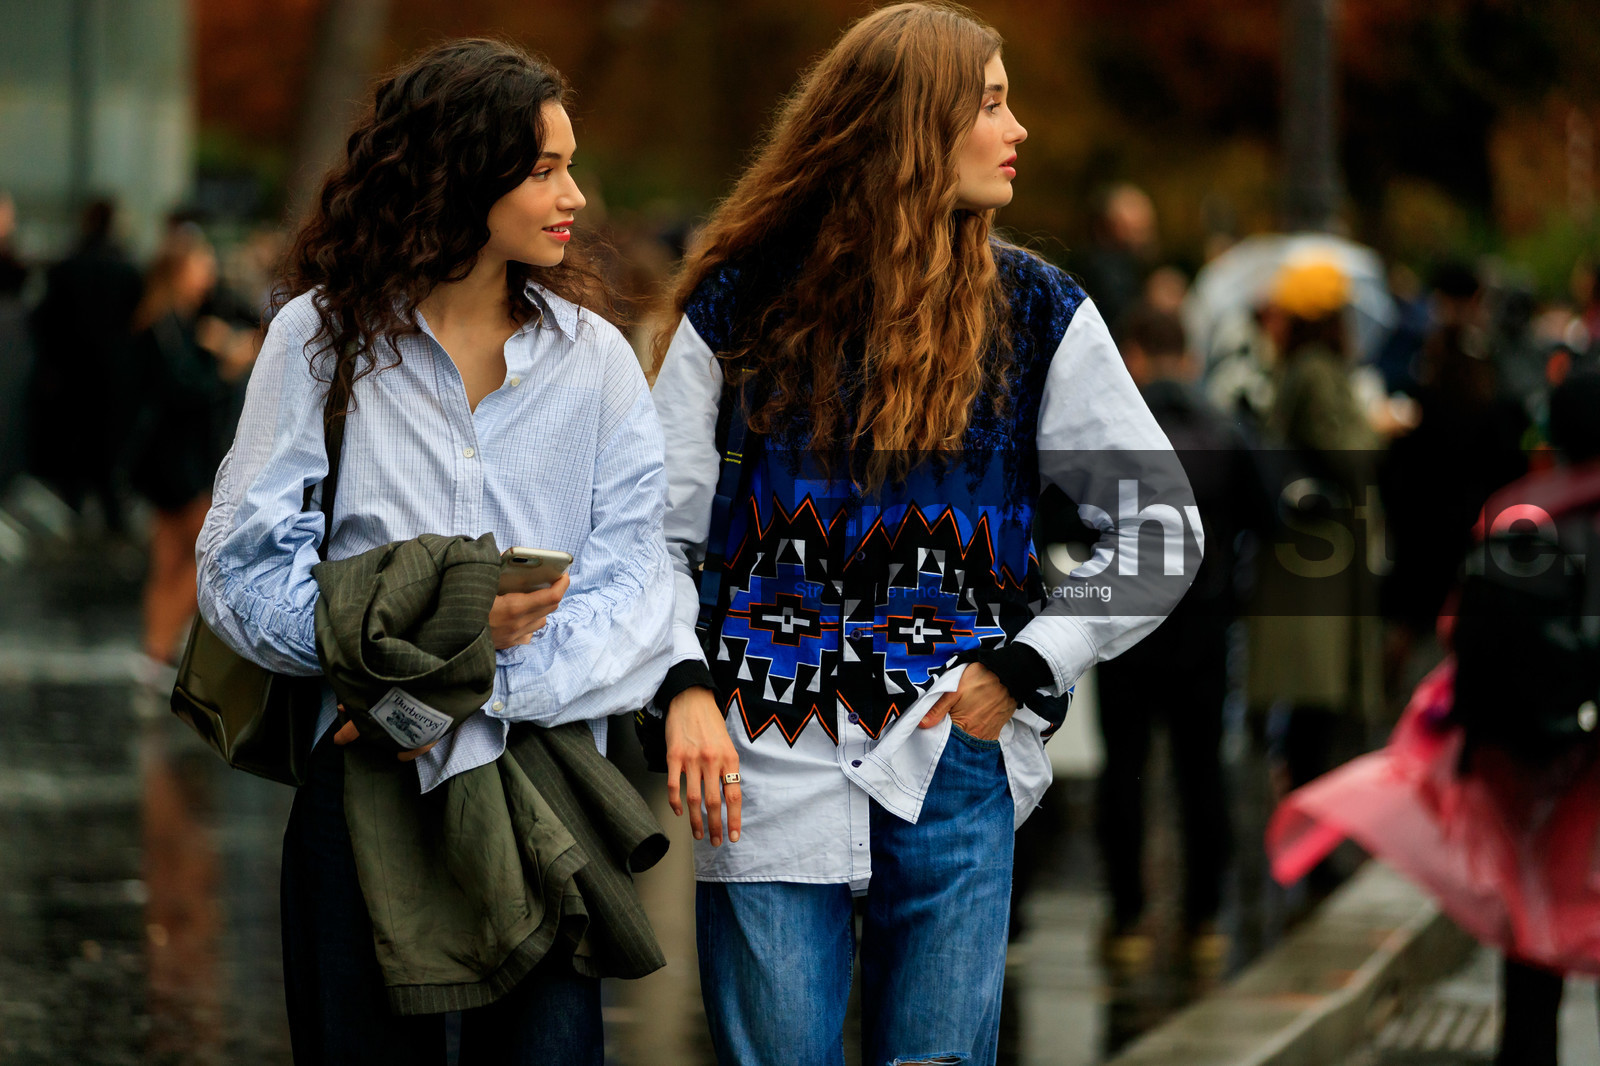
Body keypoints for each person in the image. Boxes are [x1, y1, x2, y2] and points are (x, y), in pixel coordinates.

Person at [646, 5, 1197, 1063]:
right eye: (990, 102)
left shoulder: (1038, 313)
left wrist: (1029, 663)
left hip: (953, 752)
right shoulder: (740, 308)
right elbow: (653, 537)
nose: (1018, 128)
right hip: (759, 759)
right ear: (909, 128)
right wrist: (686, 687)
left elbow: (1162, 529)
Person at [195, 39, 672, 1064]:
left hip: (541, 791)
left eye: (569, 164)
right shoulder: (317, 341)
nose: (575, 195)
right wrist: (382, 674)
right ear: (460, 173)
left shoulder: (596, 367)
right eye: (544, 168)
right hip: (361, 790)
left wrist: (453, 695)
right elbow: (236, 571)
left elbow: (639, 589)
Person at [1094, 304, 1267, 982]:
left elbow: (1062, 516)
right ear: (1190, 357)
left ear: (1134, 354)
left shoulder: (1114, 433)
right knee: (1202, 777)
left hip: (1122, 632)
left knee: (1125, 774)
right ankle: (1202, 921)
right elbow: (1268, 517)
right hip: (1204, 628)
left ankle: (1128, 917)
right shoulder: (1227, 431)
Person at [125, 225, 249, 663]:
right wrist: (228, 369)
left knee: (171, 558)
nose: (209, 276)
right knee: (209, 554)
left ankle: (154, 651)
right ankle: (160, 644)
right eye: (202, 266)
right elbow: (182, 390)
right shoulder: (164, 324)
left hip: (173, 456)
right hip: (176, 460)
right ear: (179, 272)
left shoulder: (180, 322)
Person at [25, 198, 143, 532]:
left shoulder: (66, 267)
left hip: (70, 373)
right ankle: (112, 516)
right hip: (114, 376)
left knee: (74, 443)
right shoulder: (128, 270)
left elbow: (44, 320)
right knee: (108, 447)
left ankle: (75, 509)